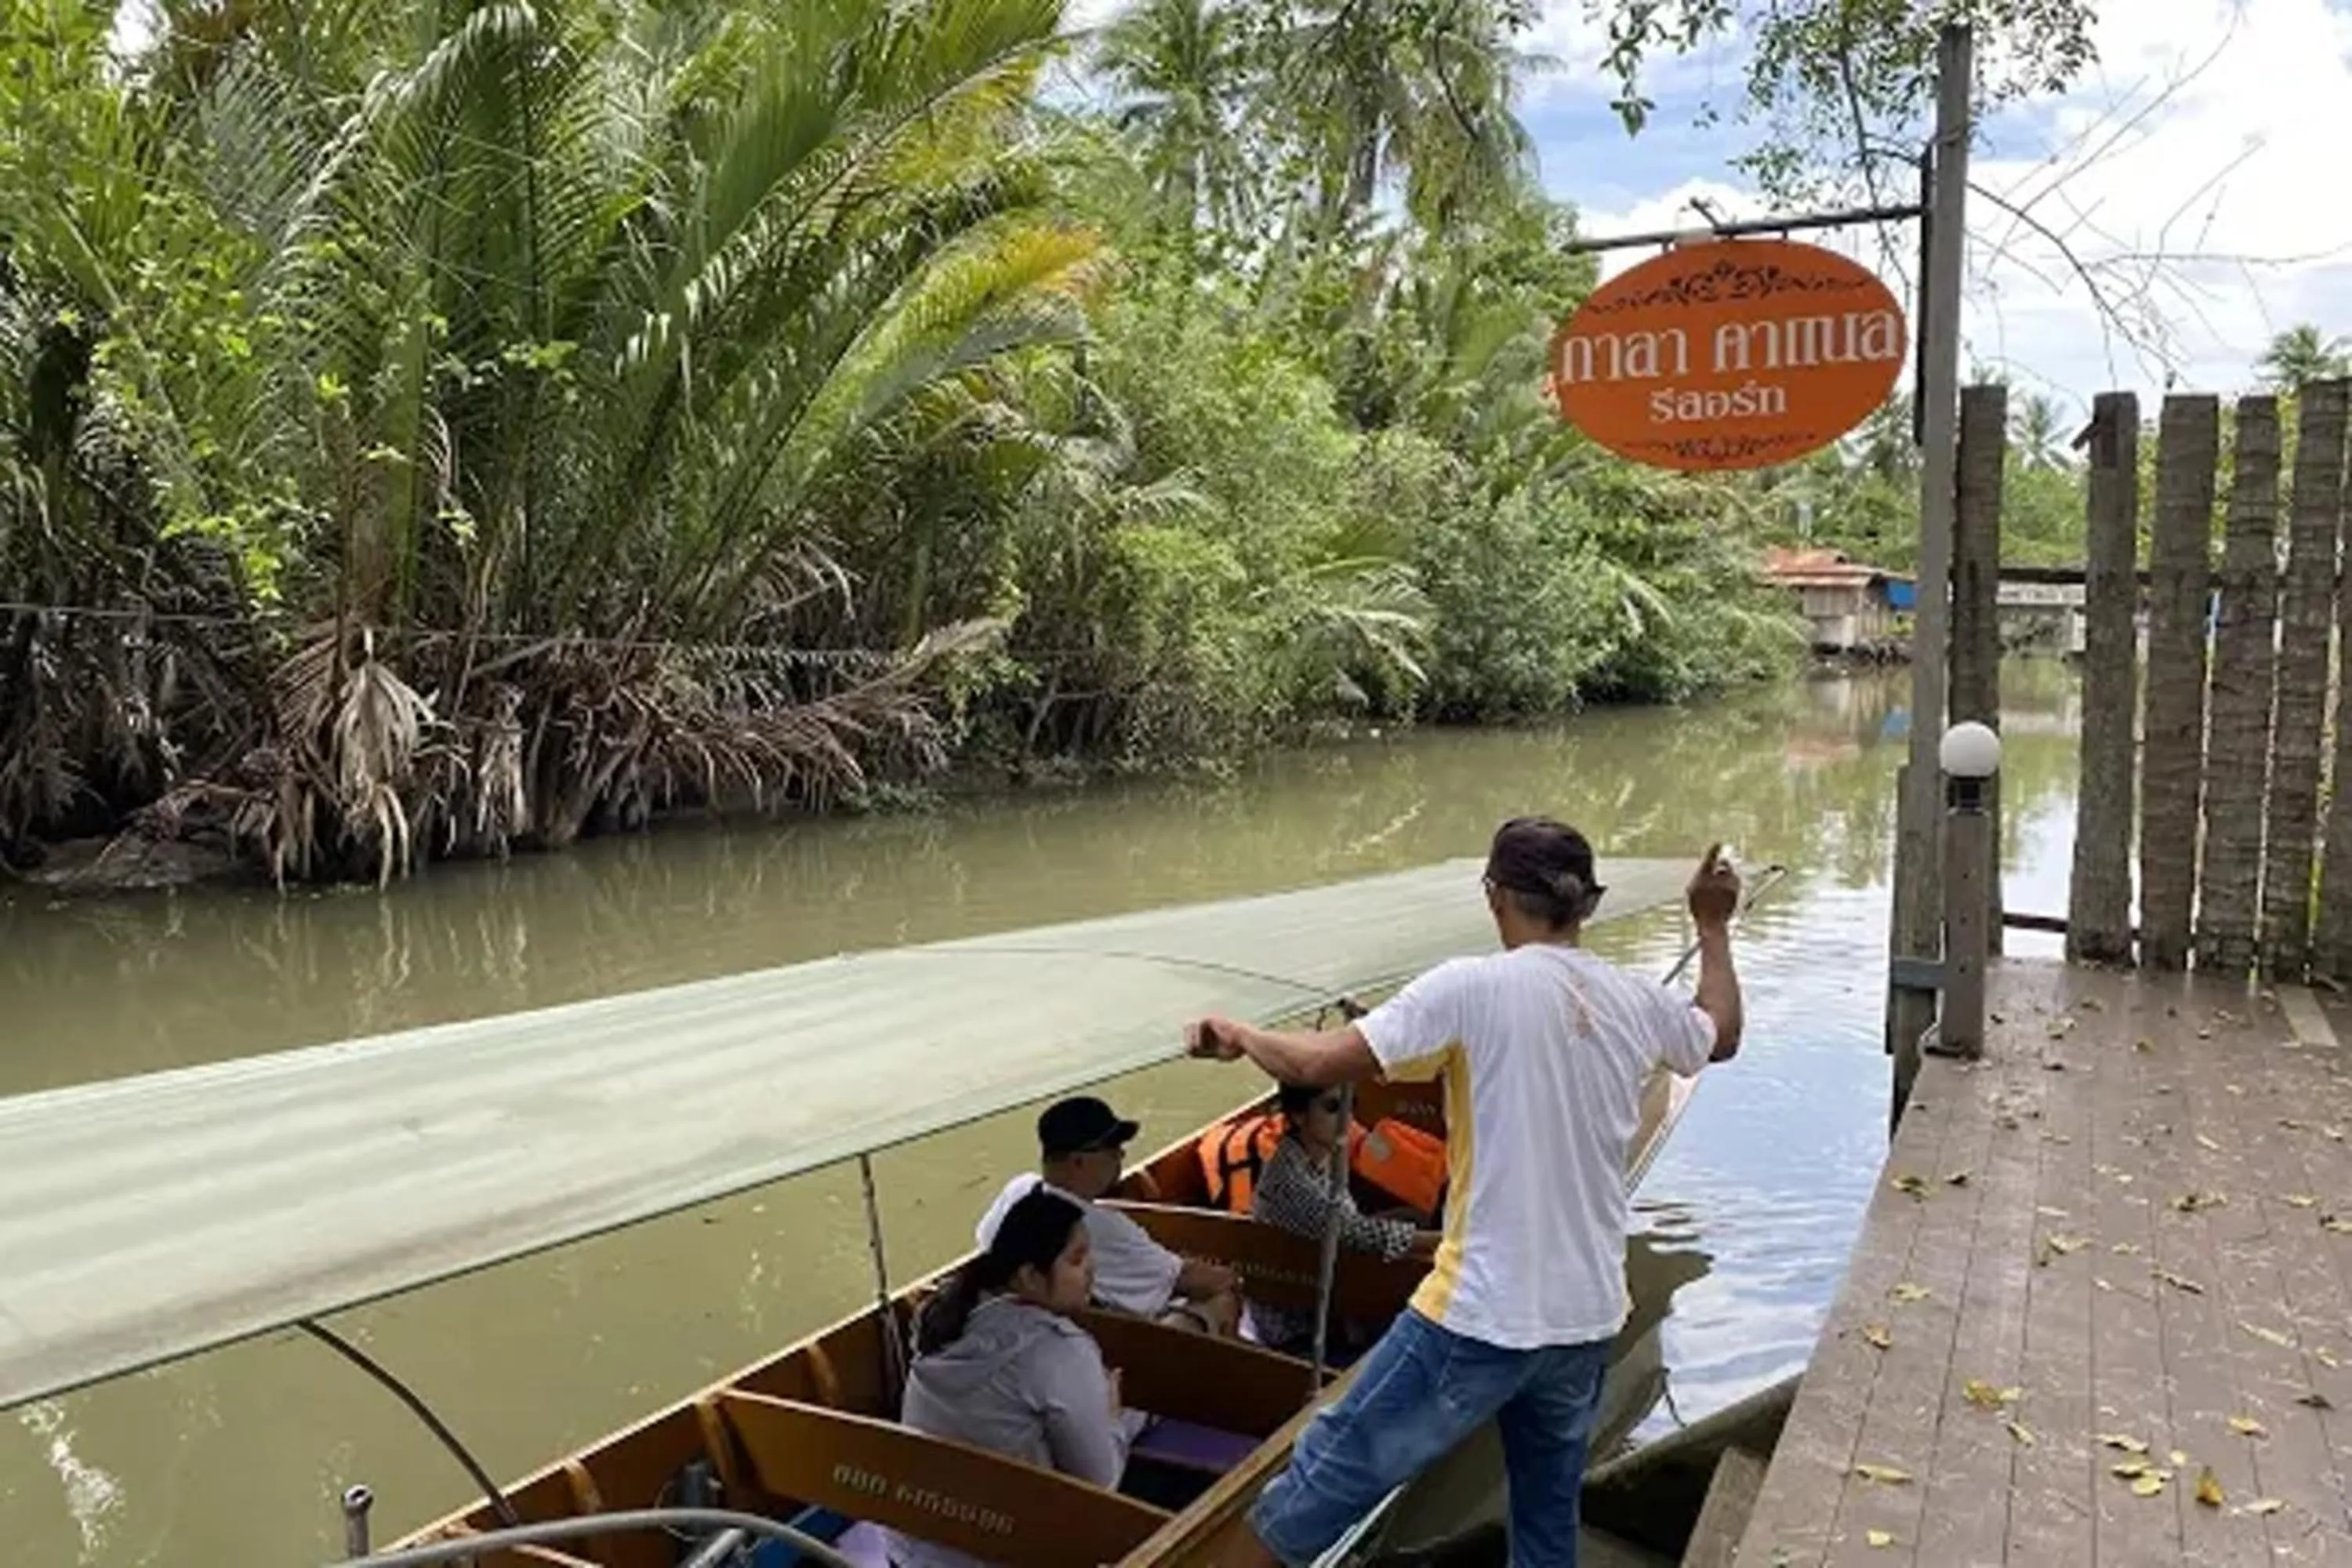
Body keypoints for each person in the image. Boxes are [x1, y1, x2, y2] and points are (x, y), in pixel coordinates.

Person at [1186, 821, 1744, 1568]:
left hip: (1481, 1314)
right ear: (1587, 906)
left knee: (1314, 1486)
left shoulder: (1469, 987)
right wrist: (1711, 925)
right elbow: (1723, 1032)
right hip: (1583, 1321)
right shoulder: (1636, 999)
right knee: (1546, 1523)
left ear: (1494, 897)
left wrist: (1242, 1035)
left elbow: (1322, 1062)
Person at [893, 1188, 1127, 1568]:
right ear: (1030, 1277)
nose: (1092, 1269)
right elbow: (1101, 1487)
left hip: (909, 1555)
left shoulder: (940, 1320)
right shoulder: (1059, 1350)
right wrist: (1111, 1416)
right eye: (1077, 1259)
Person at [978, 1095, 1242, 1334]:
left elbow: (983, 1240)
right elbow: (1187, 1278)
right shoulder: (1102, 1227)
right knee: (1222, 1295)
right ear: (1078, 1161)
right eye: (1113, 1149)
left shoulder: (1018, 1188)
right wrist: (1233, 1278)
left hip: (1028, 1325)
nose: (1121, 1156)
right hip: (1104, 1343)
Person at [1244, 1081, 1442, 1356]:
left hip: (1330, 1285)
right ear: (1299, 1115)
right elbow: (1354, 1233)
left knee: (1415, 1219)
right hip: (1304, 1325)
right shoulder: (1289, 1181)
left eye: (1351, 1105)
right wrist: (1448, 1241)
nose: (1346, 1117)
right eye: (1333, 1107)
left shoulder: (1321, 1155)